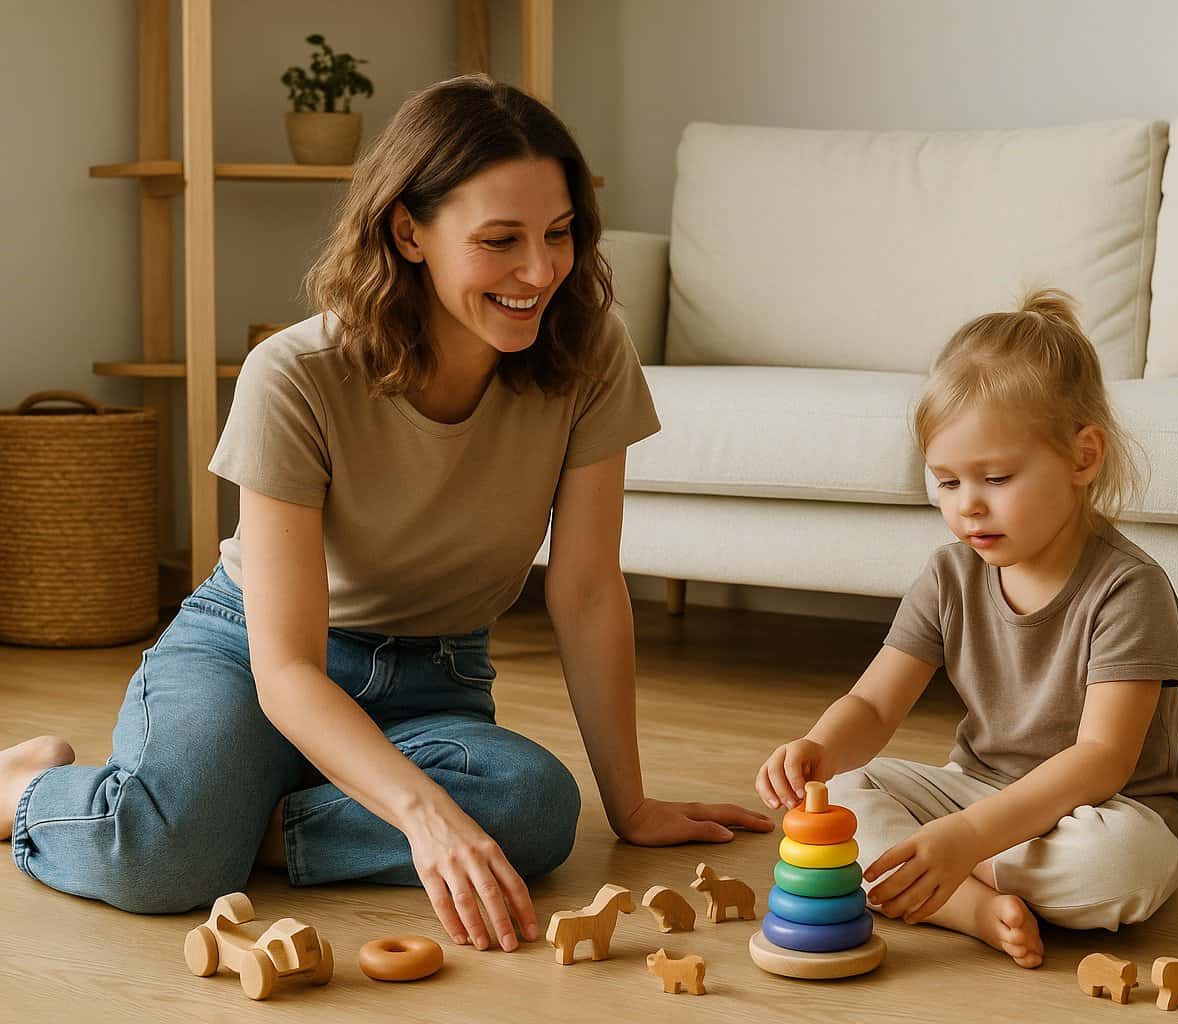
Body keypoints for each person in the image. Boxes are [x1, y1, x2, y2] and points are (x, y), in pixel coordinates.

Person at [1, 75, 771, 954]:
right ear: (409, 232)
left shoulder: (590, 351)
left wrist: (629, 806)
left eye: (559, 234)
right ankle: (30, 789)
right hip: (251, 655)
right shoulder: (295, 376)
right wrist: (422, 813)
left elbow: (589, 591)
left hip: (434, 676)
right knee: (160, 870)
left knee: (533, 807)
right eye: (500, 241)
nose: (539, 272)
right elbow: (287, 668)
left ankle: (232, 819)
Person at [755, 290, 1178, 967]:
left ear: (1083, 458)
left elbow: (1101, 759)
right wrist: (820, 745)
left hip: (1107, 810)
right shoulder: (948, 575)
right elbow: (874, 705)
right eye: (947, 483)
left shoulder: (1129, 590)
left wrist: (966, 838)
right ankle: (969, 908)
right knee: (839, 796)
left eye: (995, 477)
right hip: (977, 791)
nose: (969, 507)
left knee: (1115, 866)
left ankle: (936, 878)